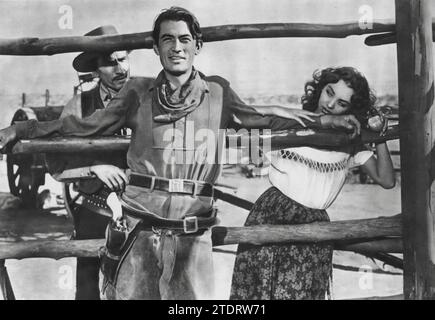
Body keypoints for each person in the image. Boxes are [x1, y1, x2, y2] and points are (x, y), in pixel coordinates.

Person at [0, 8, 361, 300]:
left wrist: (339, 122)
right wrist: (21, 130)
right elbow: (80, 128)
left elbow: (263, 121)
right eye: (167, 39)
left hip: (194, 236)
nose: (176, 46)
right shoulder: (137, 92)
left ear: (197, 46)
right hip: (140, 228)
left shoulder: (219, 91)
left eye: (185, 39)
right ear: (156, 49)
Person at [230, 67, 395, 300]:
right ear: (319, 89)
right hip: (271, 214)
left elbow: (386, 180)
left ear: (350, 110)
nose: (330, 104)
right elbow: (242, 123)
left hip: (315, 224)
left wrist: (379, 135)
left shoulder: (348, 140)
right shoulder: (291, 123)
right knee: (257, 294)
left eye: (342, 103)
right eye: (329, 92)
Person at [47, 25, 134, 300]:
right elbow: (56, 165)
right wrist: (93, 168)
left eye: (123, 58)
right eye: (110, 62)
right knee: (87, 290)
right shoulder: (79, 105)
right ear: (96, 68)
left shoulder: (146, 100)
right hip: (95, 214)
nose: (120, 68)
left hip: (143, 212)